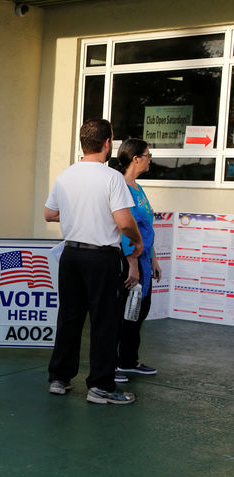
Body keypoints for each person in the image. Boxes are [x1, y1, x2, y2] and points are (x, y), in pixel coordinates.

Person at [44, 118, 143, 405]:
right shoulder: (111, 177)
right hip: (102, 258)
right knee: (105, 322)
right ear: (107, 143)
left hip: (71, 255)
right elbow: (124, 223)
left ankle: (59, 379)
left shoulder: (65, 176)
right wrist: (136, 241)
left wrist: (81, 214)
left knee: (70, 318)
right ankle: (100, 386)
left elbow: (49, 214)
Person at [110, 138, 161, 383]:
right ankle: (113, 364)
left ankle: (129, 360)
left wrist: (153, 259)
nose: (150, 159)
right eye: (148, 155)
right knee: (123, 312)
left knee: (139, 310)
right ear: (135, 158)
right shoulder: (121, 187)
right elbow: (125, 229)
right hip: (129, 260)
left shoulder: (138, 188)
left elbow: (145, 227)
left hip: (143, 258)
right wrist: (132, 264)